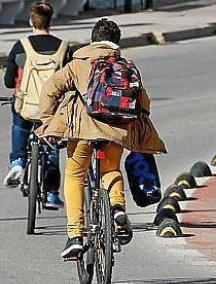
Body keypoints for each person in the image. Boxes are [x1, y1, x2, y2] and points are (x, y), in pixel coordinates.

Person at [36, 18, 167, 258]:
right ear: (116, 42)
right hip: (117, 130)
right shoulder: (126, 64)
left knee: (75, 175)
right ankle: (117, 208)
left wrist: (45, 120)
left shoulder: (78, 63)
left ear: (93, 40)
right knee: (111, 169)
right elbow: (143, 102)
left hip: (83, 131)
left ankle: (75, 235)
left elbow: (50, 89)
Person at [2, 2, 70, 209]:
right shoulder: (63, 47)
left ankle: (18, 161)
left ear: (31, 21)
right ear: (50, 22)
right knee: (51, 146)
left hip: (27, 105)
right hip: (53, 108)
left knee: (20, 124)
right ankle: (50, 194)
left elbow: (8, 81)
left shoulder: (20, 46)